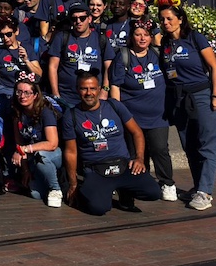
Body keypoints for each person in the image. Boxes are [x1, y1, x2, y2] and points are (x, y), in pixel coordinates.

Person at [61, 73, 161, 215]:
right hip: (96, 169)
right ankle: (93, 190)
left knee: (154, 192)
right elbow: (71, 152)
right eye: (84, 89)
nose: (89, 93)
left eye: (93, 88)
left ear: (99, 89)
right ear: (77, 90)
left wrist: (139, 158)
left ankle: (124, 191)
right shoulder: (71, 116)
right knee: (98, 209)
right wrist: (73, 183)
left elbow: (137, 132)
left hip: (123, 165)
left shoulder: (114, 106)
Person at [157, 0, 216, 211]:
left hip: (202, 96)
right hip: (179, 99)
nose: (166, 23)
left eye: (169, 18)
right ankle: (198, 187)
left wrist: (215, 95)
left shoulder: (195, 38)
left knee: (206, 144)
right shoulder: (166, 43)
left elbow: (214, 68)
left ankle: (205, 191)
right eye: (162, 19)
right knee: (189, 146)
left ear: (180, 19)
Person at [110, 19, 176, 202]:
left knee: (159, 148)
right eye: (138, 34)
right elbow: (115, 86)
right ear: (131, 37)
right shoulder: (123, 56)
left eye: (146, 35)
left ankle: (167, 182)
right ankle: (141, 182)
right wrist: (118, 114)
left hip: (158, 115)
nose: (142, 38)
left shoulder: (157, 54)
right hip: (133, 116)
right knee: (136, 153)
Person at [9, 76, 62, 207]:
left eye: (27, 92)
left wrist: (25, 149)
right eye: (19, 92)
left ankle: (56, 189)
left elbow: (52, 143)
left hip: (52, 154)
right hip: (32, 156)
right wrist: (25, 170)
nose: (22, 96)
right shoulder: (17, 113)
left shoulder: (46, 112)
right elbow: (19, 143)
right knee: (35, 194)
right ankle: (44, 181)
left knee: (41, 156)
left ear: (35, 95)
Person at [46, 1, 110, 109]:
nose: (78, 22)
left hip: (93, 97)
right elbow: (52, 66)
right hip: (66, 98)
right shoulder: (62, 37)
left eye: (82, 18)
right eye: (74, 19)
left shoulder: (100, 39)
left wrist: (105, 90)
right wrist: (56, 94)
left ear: (89, 19)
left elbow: (108, 66)